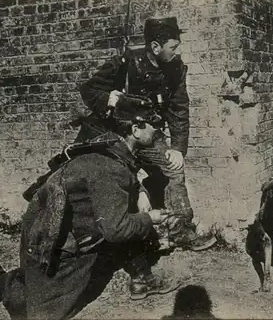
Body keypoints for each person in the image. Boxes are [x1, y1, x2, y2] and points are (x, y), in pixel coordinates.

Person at [0, 97, 182, 319]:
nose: (159, 131)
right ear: (135, 130)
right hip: (49, 234)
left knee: (58, 298)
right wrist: (151, 218)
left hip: (64, 226)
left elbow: (119, 174)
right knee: (44, 314)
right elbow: (116, 229)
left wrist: (139, 189)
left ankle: (141, 277)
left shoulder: (108, 143)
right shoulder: (109, 167)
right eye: (154, 126)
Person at [75, 16, 216, 252]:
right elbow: (89, 89)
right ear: (155, 47)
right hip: (116, 134)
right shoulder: (124, 61)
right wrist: (107, 99)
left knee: (173, 169)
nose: (176, 51)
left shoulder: (176, 69)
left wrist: (178, 148)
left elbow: (179, 109)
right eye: (172, 46)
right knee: (115, 180)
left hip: (148, 134)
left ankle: (179, 231)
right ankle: (131, 237)